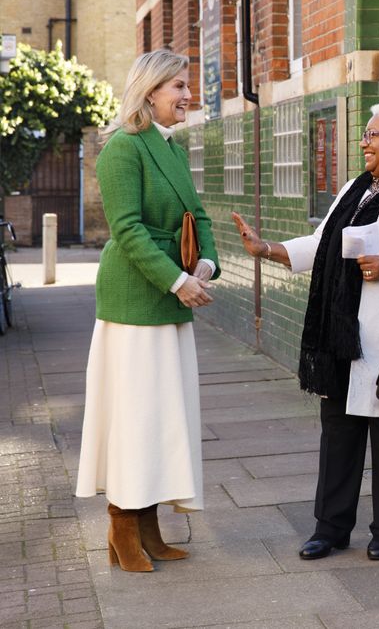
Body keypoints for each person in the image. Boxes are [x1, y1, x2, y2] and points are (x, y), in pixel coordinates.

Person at [232, 101, 379, 561]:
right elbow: (321, 246)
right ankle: (330, 528)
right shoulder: (352, 193)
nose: (363, 142)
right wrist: (267, 248)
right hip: (341, 338)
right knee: (338, 436)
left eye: (372, 135)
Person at [75, 50, 220, 572]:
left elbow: (197, 215)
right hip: (136, 302)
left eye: (186, 86)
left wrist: (205, 264)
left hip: (173, 297)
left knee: (165, 415)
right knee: (136, 415)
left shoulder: (173, 149)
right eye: (178, 86)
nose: (187, 95)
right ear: (150, 92)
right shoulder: (121, 149)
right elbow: (128, 230)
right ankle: (121, 524)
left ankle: (150, 526)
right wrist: (178, 281)